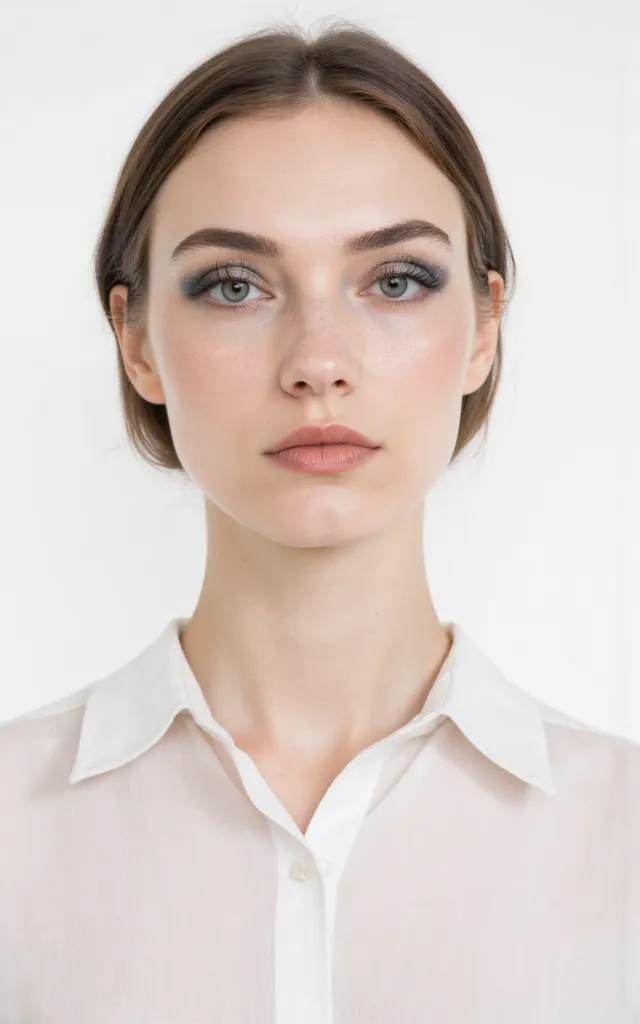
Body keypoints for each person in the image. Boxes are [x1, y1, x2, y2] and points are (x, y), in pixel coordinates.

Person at [1, 19, 637, 1023]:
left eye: (394, 280)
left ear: (482, 327)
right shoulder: (11, 831)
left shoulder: (621, 840)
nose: (318, 359)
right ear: (136, 343)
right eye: (235, 285)